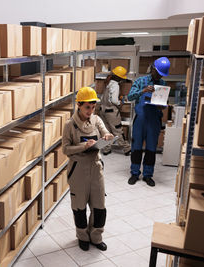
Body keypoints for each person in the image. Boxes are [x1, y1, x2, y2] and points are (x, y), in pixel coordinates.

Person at [62, 87, 113, 252]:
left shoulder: (97, 120)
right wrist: (84, 145)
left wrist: (107, 136)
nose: (90, 111)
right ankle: (83, 237)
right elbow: (66, 149)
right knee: (79, 207)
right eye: (87, 107)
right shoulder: (70, 125)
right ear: (78, 105)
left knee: (100, 206)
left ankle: (96, 237)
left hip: (96, 167)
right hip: (78, 170)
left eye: (93, 107)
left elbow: (105, 131)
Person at [127, 57, 171, 187]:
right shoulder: (141, 81)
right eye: (157, 73)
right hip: (140, 119)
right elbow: (130, 97)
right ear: (153, 69)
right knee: (136, 148)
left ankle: (148, 175)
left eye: (161, 75)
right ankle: (135, 173)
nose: (158, 76)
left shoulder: (163, 84)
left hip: (154, 120)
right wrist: (143, 91)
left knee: (151, 149)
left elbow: (165, 104)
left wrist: (163, 106)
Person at [99, 66, 131, 156]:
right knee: (118, 130)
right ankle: (127, 148)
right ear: (119, 77)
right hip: (111, 112)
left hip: (102, 110)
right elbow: (113, 100)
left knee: (106, 131)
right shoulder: (115, 85)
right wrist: (120, 102)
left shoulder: (107, 83)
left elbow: (102, 98)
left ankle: (106, 149)